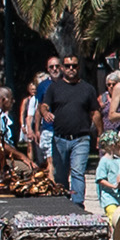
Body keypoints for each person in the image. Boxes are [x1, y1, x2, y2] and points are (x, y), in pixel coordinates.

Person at [32, 50, 100, 201]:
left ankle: (77, 204)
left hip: (81, 138)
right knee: (60, 175)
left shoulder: (87, 89)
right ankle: (63, 202)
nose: (71, 69)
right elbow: (43, 105)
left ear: (78, 67)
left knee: (77, 172)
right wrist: (45, 113)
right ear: (63, 68)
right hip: (59, 139)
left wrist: (100, 134)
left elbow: (95, 112)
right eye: (68, 66)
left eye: (74, 66)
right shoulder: (54, 88)